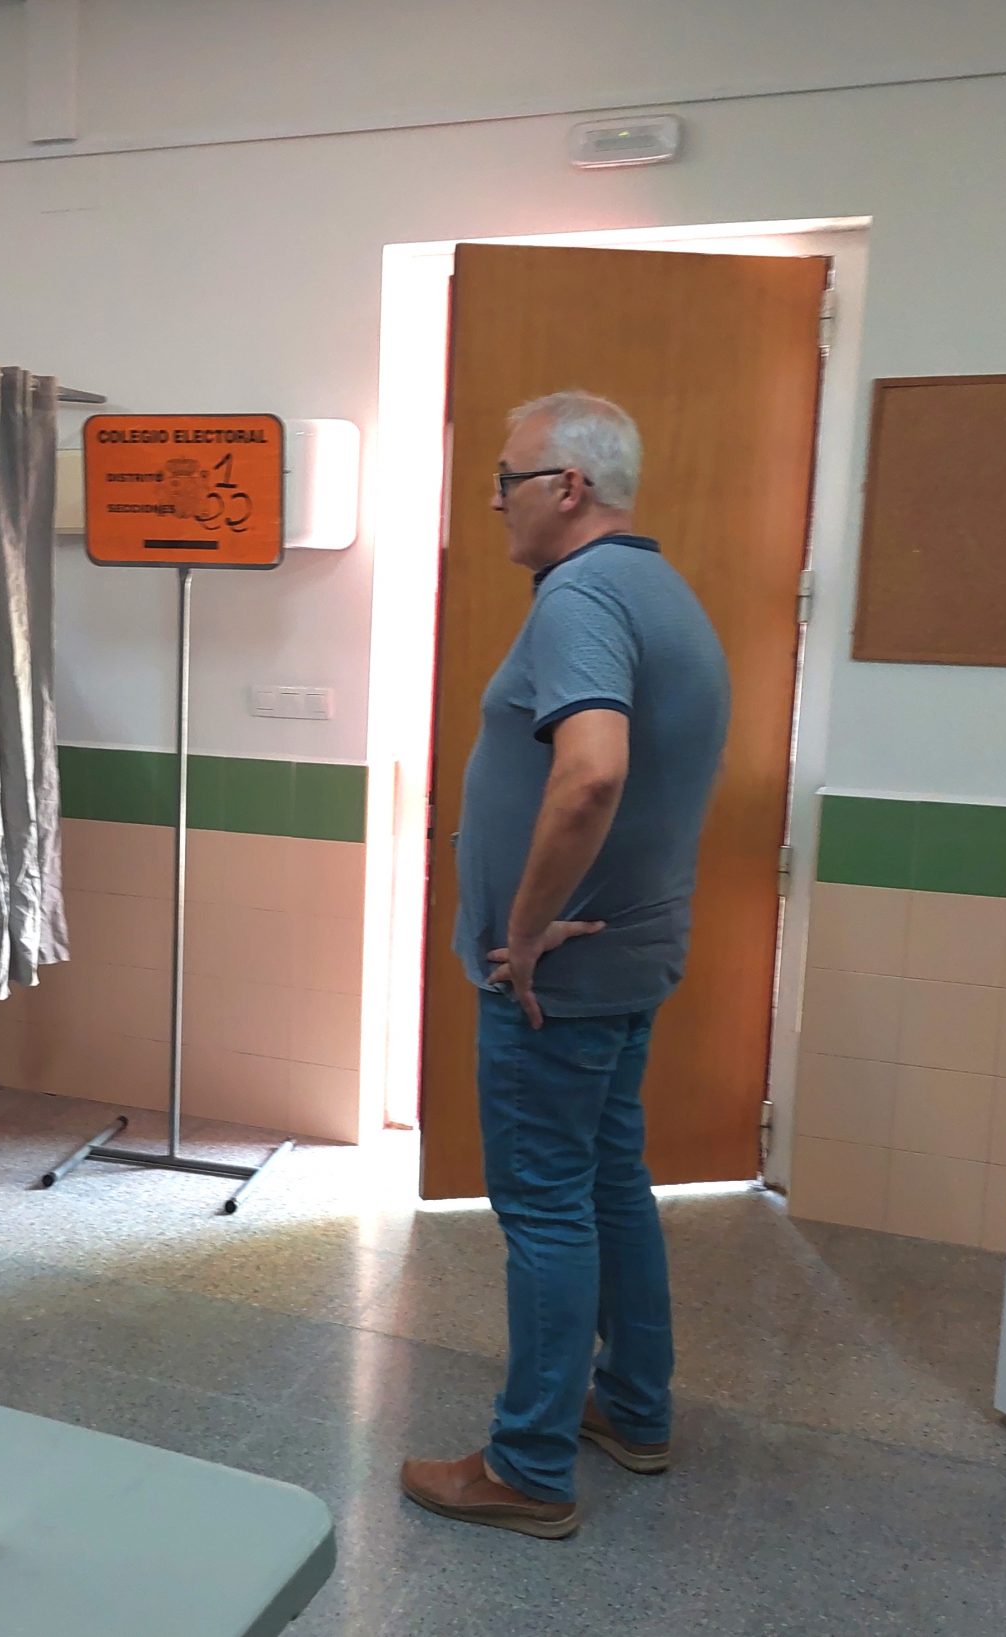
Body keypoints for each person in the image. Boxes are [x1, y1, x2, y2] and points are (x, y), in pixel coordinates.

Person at [399, 392, 730, 1540]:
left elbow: (591, 771)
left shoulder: (581, 596)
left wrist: (527, 926)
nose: (493, 499)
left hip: (560, 978)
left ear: (567, 488)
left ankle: (528, 1464)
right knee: (604, 1181)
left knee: (542, 1202)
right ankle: (632, 1405)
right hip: (629, 955)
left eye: (506, 478)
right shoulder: (659, 589)